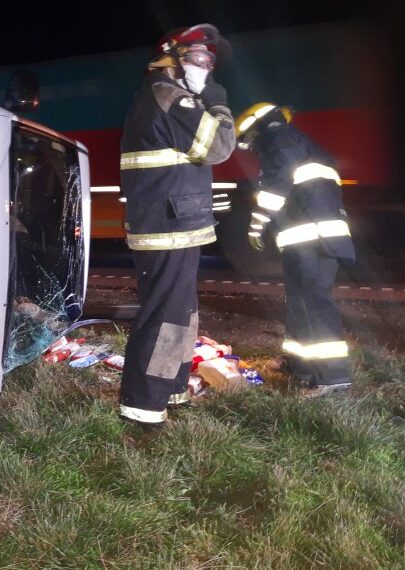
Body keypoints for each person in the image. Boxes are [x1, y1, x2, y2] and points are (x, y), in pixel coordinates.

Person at [118, 24, 236, 427]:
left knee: (181, 313)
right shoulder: (169, 95)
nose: (205, 68)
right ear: (170, 57)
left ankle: (170, 388)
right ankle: (142, 405)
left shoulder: (169, 96)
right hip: (166, 224)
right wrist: (218, 105)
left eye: (209, 62)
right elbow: (218, 147)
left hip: (176, 222)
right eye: (197, 58)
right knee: (165, 312)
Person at [236, 102, 355, 397]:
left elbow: (277, 184)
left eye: (249, 139)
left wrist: (256, 224)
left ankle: (332, 377)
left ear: (258, 126)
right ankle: (299, 363)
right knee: (300, 303)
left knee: (315, 304)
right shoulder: (300, 143)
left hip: (314, 239)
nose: (251, 147)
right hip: (306, 239)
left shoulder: (279, 139)